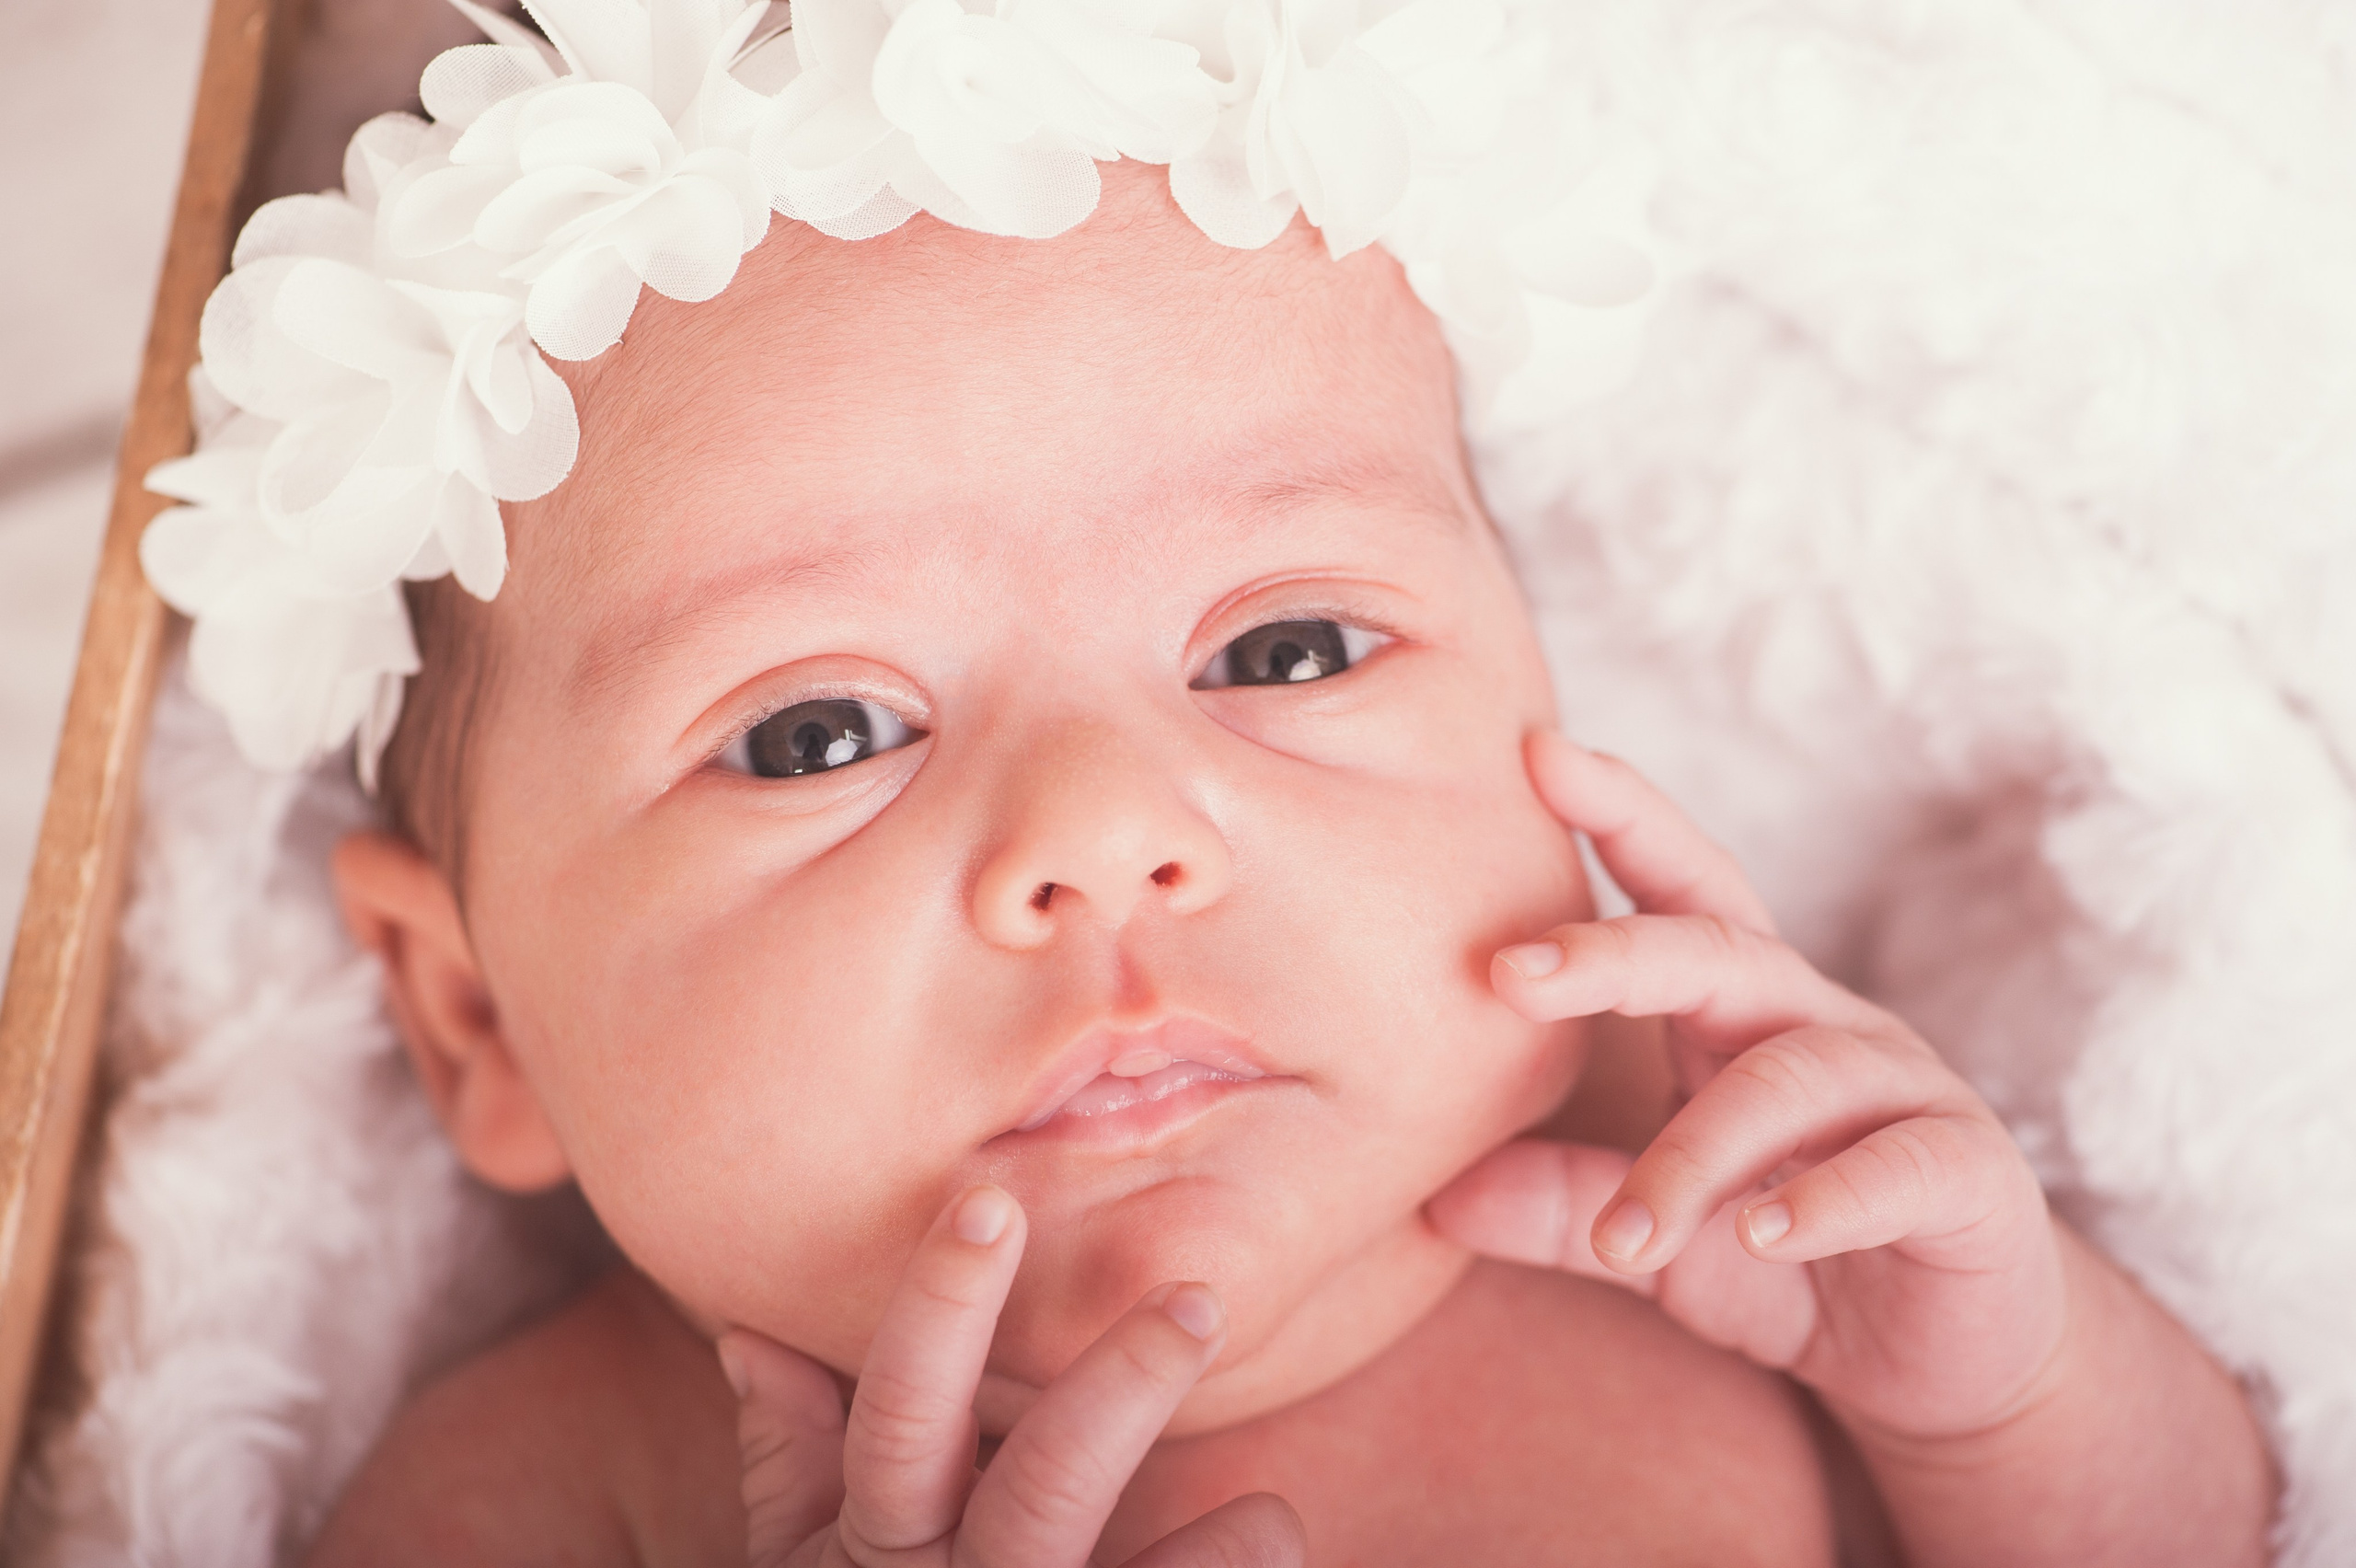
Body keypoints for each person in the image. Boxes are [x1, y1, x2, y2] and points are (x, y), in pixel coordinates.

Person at [290, 156, 2275, 1565]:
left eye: (1284, 649)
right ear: (477, 1017)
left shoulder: (1707, 1221)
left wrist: (1997, 1407)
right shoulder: (555, 1494)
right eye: (819, 736)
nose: (1107, 837)